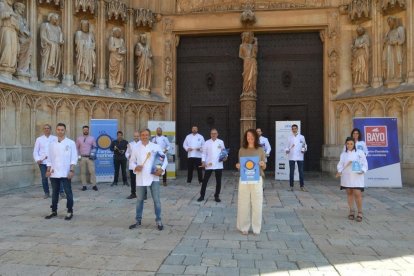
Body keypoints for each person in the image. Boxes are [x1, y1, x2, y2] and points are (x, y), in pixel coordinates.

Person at [128, 129, 168, 231]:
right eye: (142, 135)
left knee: (157, 200)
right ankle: (138, 220)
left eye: (146, 135)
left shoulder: (155, 146)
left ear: (149, 136)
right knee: (139, 200)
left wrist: (161, 169)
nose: (144, 136)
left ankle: (159, 220)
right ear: (140, 136)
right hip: (141, 177)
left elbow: (164, 159)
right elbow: (131, 162)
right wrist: (135, 167)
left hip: (153, 177)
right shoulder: (136, 148)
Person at [236, 129, 266, 235]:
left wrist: (262, 164)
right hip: (244, 180)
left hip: (257, 179)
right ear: (245, 137)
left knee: (257, 204)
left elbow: (265, 166)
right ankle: (244, 227)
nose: (250, 138)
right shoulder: (241, 150)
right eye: (248, 136)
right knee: (243, 203)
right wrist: (238, 166)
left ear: (255, 137)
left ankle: (256, 228)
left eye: (252, 136)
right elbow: (240, 165)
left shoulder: (261, 150)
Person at [44, 123, 77, 220]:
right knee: (55, 192)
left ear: (65, 131)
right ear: (56, 130)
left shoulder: (71, 143)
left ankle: (69, 211)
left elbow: (73, 158)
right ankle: (53, 210)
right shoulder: (52, 144)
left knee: (68, 192)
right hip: (54, 172)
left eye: (62, 130)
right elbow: (49, 159)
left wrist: (71, 170)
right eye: (58, 129)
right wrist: (48, 170)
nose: (60, 131)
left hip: (66, 172)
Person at [336, 137, 368, 222]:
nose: (349, 145)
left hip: (357, 176)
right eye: (348, 144)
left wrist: (363, 170)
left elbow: (365, 163)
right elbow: (340, 165)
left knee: (357, 194)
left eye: (351, 144)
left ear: (354, 144)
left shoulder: (360, 152)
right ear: (345, 144)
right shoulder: (343, 154)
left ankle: (360, 212)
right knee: (349, 193)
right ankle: (351, 211)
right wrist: (339, 171)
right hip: (346, 176)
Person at [33, 124, 66, 199]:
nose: (46, 129)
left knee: (57, 177)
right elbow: (35, 151)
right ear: (43, 130)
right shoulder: (39, 139)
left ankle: (61, 192)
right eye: (45, 128)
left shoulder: (55, 138)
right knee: (44, 178)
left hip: (53, 162)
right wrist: (37, 159)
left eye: (48, 128)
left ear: (50, 130)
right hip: (43, 162)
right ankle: (46, 193)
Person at [197, 128, 226, 202]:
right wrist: (203, 161)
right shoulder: (207, 142)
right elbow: (204, 153)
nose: (213, 135)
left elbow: (224, 152)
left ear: (217, 134)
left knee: (218, 181)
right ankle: (202, 196)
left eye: (215, 133)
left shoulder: (221, 142)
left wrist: (225, 157)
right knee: (205, 181)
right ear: (210, 134)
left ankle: (217, 196)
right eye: (212, 133)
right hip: (209, 164)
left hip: (218, 164)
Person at [40, 12, 64, 82]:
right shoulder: (45, 25)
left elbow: (60, 38)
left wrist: (61, 42)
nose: (56, 19)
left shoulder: (58, 28)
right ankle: (46, 74)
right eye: (54, 18)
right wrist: (49, 42)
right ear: (50, 18)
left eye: (57, 18)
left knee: (56, 61)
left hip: (56, 47)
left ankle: (53, 74)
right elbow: (42, 36)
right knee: (48, 60)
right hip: (48, 46)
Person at [285, 124, 307, 192]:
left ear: (297, 129)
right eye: (293, 129)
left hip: (300, 156)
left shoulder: (302, 137)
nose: (294, 130)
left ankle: (302, 186)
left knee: (301, 172)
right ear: (291, 129)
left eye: (295, 128)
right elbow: (287, 146)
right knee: (291, 172)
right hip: (291, 156)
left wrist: (304, 149)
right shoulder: (289, 137)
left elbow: (304, 145)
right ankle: (291, 186)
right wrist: (287, 150)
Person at [76, 125, 97, 191]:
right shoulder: (79, 138)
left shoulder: (92, 138)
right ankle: (84, 185)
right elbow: (77, 148)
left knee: (92, 171)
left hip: (90, 157)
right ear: (82, 130)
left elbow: (95, 147)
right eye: (84, 130)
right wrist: (78, 156)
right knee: (83, 172)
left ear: (88, 130)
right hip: (82, 157)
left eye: (86, 130)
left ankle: (94, 185)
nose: (85, 131)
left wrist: (92, 155)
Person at [0, 0, 19, 75]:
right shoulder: (1, 4)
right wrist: (10, 14)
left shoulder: (11, 8)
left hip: (13, 30)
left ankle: (11, 66)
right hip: (5, 28)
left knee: (13, 48)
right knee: (7, 45)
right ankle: (4, 64)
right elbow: (1, 15)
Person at [75, 19, 96, 85]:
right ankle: (82, 78)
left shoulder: (91, 34)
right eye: (84, 25)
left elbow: (94, 43)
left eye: (87, 25)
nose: (85, 27)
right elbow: (76, 42)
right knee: (82, 66)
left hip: (89, 53)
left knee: (89, 66)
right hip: (82, 53)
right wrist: (82, 43)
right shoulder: (79, 33)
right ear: (81, 26)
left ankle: (88, 79)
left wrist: (91, 46)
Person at [125, 131, 140, 199]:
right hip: (132, 165)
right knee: (133, 180)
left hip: (140, 165)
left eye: (137, 136)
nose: (136, 137)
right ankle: (133, 193)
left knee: (141, 180)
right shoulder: (130, 144)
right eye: (135, 136)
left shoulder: (142, 144)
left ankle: (143, 194)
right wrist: (129, 156)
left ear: (139, 136)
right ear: (133, 136)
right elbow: (126, 153)